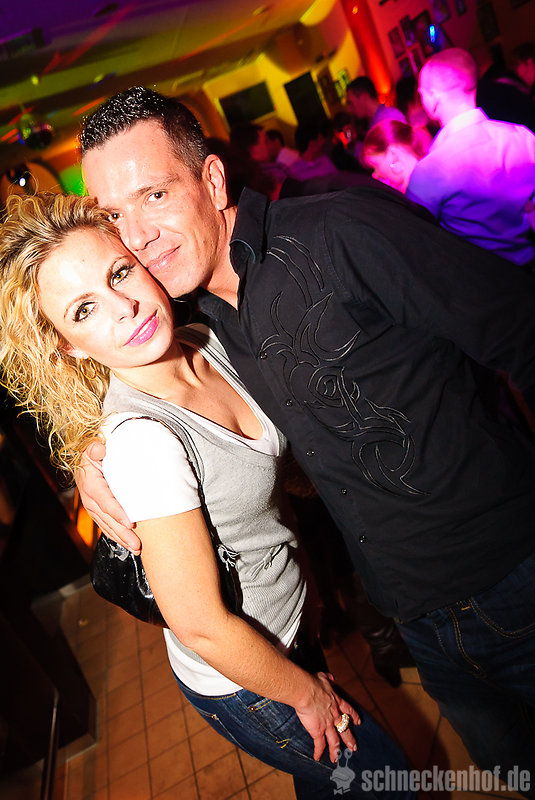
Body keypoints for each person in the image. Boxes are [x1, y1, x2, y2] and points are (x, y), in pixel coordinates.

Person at [78, 87, 535, 791]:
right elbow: (130, 380)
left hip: (513, 577)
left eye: (155, 196)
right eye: (114, 215)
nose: (135, 236)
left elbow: (520, 328)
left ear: (212, 180)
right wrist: (90, 454)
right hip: (417, 616)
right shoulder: (194, 321)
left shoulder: (341, 232)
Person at [0, 191, 415, 800]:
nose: (124, 307)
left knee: (334, 788)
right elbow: (199, 625)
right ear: (68, 345)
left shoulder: (205, 338)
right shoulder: (144, 442)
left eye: (119, 273)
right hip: (246, 677)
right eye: (84, 310)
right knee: (390, 781)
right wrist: (304, 692)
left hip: (287, 628)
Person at [407, 47, 535, 268]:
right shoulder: (522, 136)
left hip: (482, 282)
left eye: (421, 94)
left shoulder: (431, 169)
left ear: (432, 97)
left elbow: (414, 239)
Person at [359, 120, 425, 193]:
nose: (375, 175)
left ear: (394, 154)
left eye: (375, 165)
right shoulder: (423, 177)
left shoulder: (417, 190)